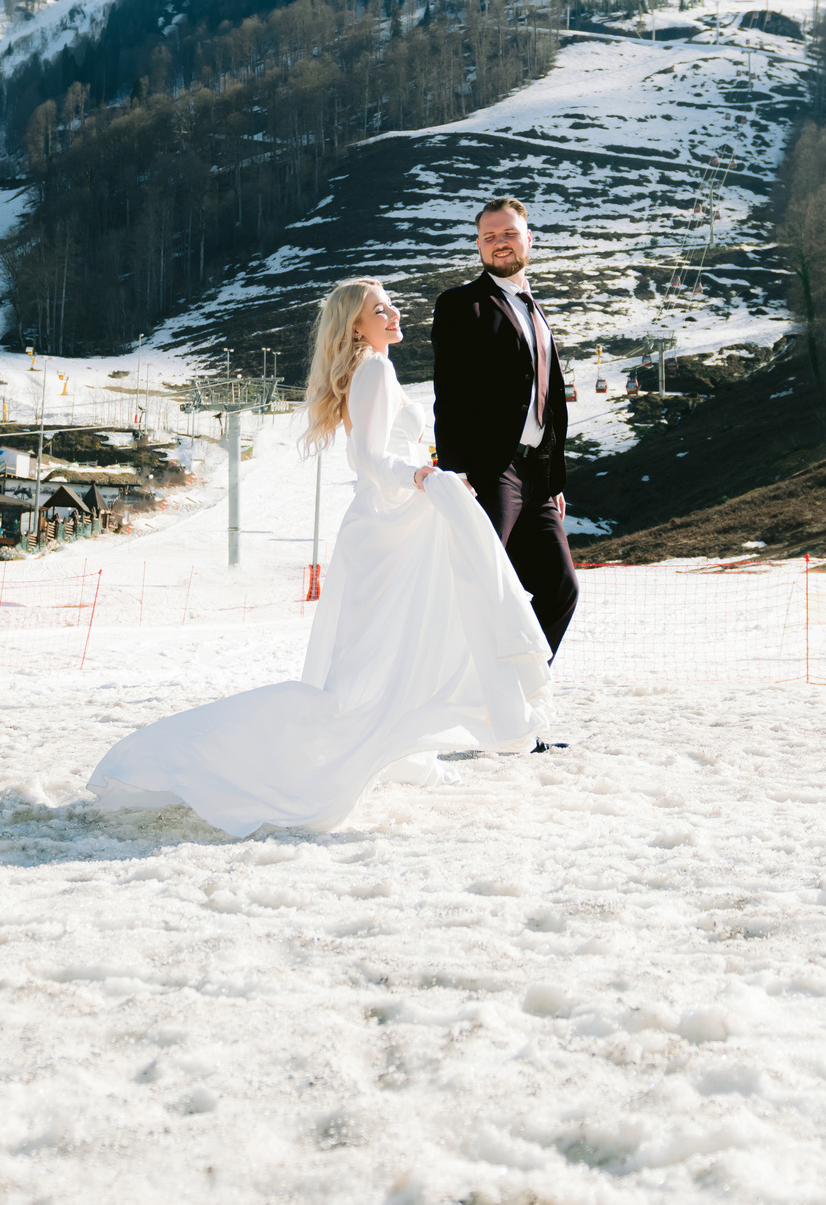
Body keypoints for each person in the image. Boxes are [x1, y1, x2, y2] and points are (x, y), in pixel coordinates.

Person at [86, 278, 551, 836]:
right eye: (380, 310)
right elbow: (373, 460)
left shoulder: (374, 367)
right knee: (368, 666)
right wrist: (423, 475)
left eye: (390, 305)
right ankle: (196, 756)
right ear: (356, 326)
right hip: (388, 528)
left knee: (383, 654)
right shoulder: (375, 369)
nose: (394, 313)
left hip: (391, 525)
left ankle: (394, 751)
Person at [431, 198, 579, 666]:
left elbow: (550, 401)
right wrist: (455, 471)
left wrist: (553, 482)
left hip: (536, 477)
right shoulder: (461, 305)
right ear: (477, 245)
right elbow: (448, 394)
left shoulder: (536, 311)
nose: (500, 243)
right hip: (490, 472)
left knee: (561, 589)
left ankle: (521, 699)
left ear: (528, 239)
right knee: (483, 588)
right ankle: (469, 702)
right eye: (490, 236)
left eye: (509, 234)